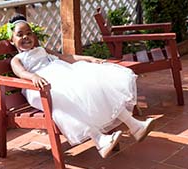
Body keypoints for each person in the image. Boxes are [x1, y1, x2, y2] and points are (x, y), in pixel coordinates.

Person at [8, 14, 155, 158]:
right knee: (70, 98)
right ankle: (99, 140)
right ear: (12, 40)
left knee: (94, 86)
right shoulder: (17, 59)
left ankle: (135, 125)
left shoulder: (42, 50)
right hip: (42, 87)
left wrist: (87, 58)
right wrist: (33, 76)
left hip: (62, 76)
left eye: (29, 33)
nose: (25, 37)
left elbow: (65, 57)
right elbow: (21, 73)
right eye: (20, 35)